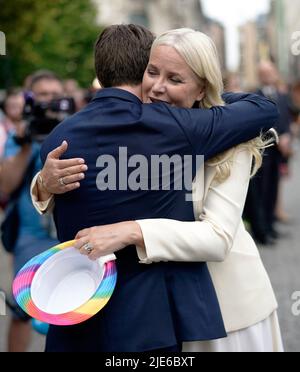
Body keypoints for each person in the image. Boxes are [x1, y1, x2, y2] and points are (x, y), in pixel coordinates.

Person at [32, 25, 278, 352]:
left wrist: (132, 230)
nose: (158, 88)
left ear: (201, 87)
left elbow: (217, 237)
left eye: (175, 79)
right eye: (152, 72)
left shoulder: (232, 141)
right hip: (169, 309)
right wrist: (43, 184)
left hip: (227, 305)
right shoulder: (145, 126)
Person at [0, 71, 64, 352]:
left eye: (54, 94)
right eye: (42, 95)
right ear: (30, 100)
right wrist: (26, 143)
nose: (49, 101)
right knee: (22, 310)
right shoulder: (20, 135)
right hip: (30, 237)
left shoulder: (74, 129)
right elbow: (5, 184)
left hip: (67, 235)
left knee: (71, 311)